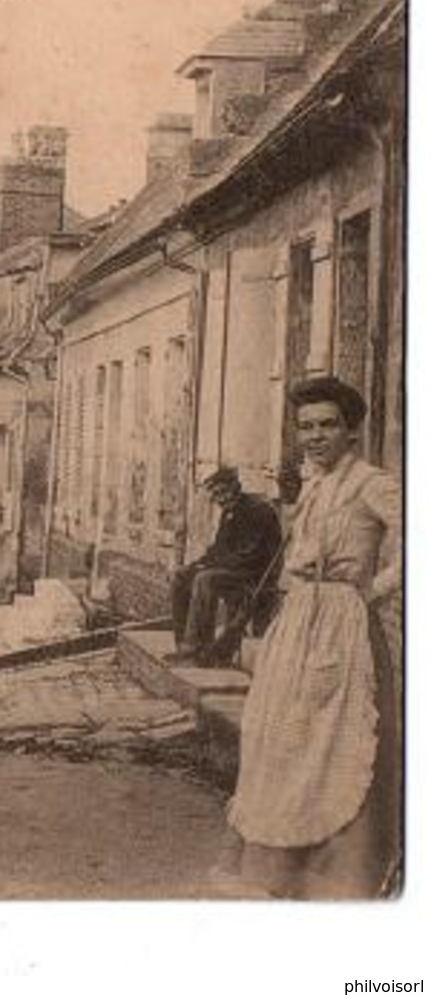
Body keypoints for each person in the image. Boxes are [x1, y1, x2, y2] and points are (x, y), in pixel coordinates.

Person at [219, 376, 402, 899]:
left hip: (343, 620)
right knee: (282, 733)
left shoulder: (373, 483)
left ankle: (341, 867)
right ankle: (284, 867)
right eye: (306, 427)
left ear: (351, 431)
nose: (315, 436)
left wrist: (375, 590)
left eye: (328, 425)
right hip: (299, 617)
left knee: (335, 735)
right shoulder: (315, 484)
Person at [167, 467, 283, 665]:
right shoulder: (230, 511)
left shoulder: (258, 510)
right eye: (215, 496)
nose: (219, 500)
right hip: (234, 571)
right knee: (181, 576)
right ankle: (184, 646)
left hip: (255, 575)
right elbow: (219, 549)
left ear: (234, 487)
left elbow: (251, 555)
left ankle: (195, 648)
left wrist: (208, 568)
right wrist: (196, 565)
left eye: (222, 493)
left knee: (205, 579)